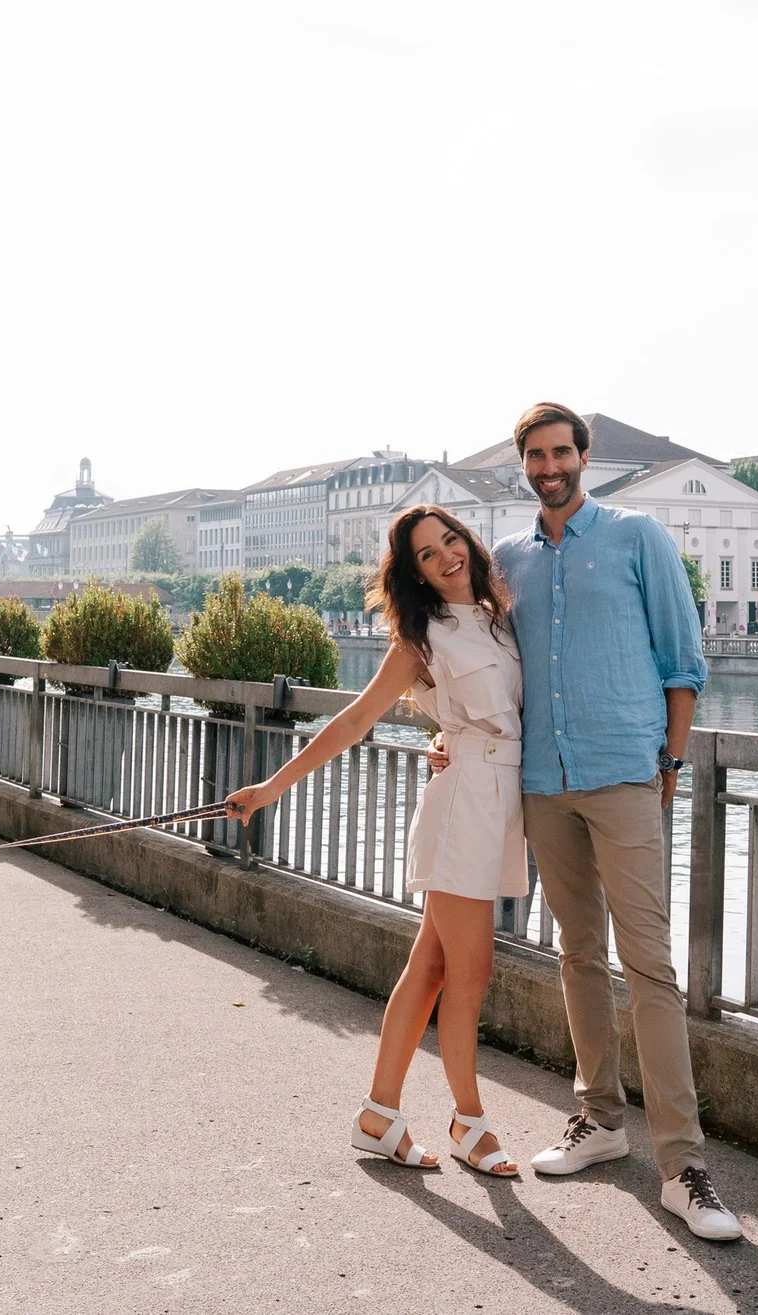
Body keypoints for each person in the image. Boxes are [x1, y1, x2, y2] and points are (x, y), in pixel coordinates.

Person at [448, 402, 743, 1241]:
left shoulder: (638, 536)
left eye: (560, 451)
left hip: (624, 773)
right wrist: (450, 734)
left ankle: (684, 1166)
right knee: (578, 953)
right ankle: (600, 1120)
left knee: (650, 965)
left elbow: (683, 659)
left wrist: (672, 763)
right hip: (544, 781)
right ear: (523, 464)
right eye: (535, 455)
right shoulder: (506, 561)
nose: (549, 465)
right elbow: (486, 667)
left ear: (585, 454)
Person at [228, 505, 526, 1178]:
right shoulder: (421, 639)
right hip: (461, 809)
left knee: (432, 968)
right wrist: (272, 787)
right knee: (469, 973)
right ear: (414, 573)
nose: (446, 554)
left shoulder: (498, 617)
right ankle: (470, 1122)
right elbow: (357, 717)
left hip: (500, 803)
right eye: (427, 552)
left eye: (450, 538)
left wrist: (446, 733)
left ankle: (379, 1114)